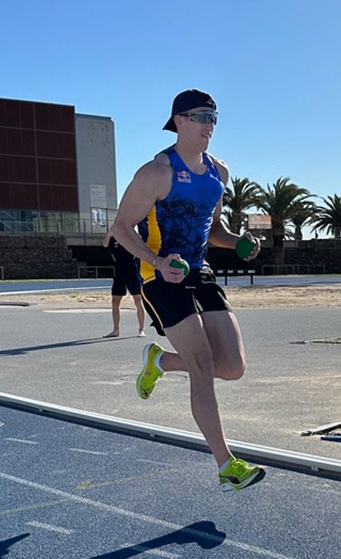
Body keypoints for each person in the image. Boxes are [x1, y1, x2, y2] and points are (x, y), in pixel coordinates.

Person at [109, 89, 264, 492]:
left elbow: (214, 231)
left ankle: (159, 361)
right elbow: (120, 228)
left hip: (200, 271)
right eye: (200, 116)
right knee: (202, 368)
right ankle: (226, 464)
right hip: (160, 276)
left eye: (214, 117)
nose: (209, 125)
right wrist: (158, 261)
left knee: (231, 366)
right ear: (178, 120)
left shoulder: (219, 173)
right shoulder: (156, 172)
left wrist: (238, 243)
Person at [102, 232, 146, 338]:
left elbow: (142, 245)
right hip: (119, 273)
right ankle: (116, 329)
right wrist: (109, 233)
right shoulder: (114, 238)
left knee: (138, 301)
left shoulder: (132, 237)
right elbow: (104, 245)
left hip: (132, 272)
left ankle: (141, 330)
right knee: (115, 301)